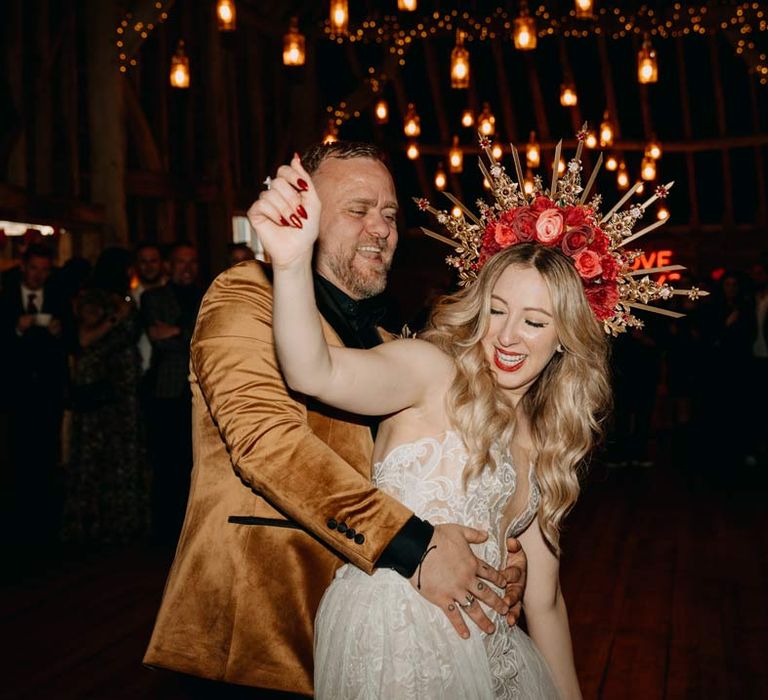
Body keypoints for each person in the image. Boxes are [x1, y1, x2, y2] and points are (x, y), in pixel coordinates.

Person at [144, 142, 526, 697]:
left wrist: (490, 564)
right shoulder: (245, 295)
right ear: (308, 215)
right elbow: (268, 447)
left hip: (378, 643)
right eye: (358, 209)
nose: (381, 229)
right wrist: (418, 547)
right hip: (258, 628)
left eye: (390, 215)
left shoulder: (389, 342)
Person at [252, 153, 613, 698]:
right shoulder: (433, 370)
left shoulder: (543, 441)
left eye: (535, 321)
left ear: (565, 337)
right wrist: (289, 262)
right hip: (397, 635)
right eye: (497, 310)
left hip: (489, 648)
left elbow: (544, 600)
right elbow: (314, 370)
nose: (509, 335)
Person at [62, 247, 149, 544]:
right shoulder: (93, 297)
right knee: (95, 453)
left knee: (122, 454)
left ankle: (122, 522)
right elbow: (85, 338)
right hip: (100, 384)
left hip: (124, 385)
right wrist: (116, 318)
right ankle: (91, 524)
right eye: (127, 268)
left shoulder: (125, 297)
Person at [0, 243, 69, 565]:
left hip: (48, 396)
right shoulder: (5, 297)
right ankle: (18, 532)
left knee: (46, 458)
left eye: (44, 269)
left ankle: (44, 533)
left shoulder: (58, 296)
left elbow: (72, 342)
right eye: (33, 269)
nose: (38, 275)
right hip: (14, 396)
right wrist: (16, 328)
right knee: (16, 458)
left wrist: (59, 332)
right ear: (22, 267)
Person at [141, 242, 202, 543]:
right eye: (180, 262)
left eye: (192, 262)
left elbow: (208, 341)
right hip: (165, 390)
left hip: (201, 392)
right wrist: (191, 335)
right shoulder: (154, 297)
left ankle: (194, 531)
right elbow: (158, 340)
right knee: (166, 463)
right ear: (169, 265)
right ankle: (165, 532)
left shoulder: (208, 294)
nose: (186, 268)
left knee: (196, 463)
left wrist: (177, 331)